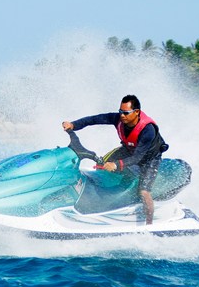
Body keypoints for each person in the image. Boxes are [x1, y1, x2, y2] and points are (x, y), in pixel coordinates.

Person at [62, 94, 168, 224]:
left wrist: (117, 165)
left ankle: (149, 225)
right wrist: (73, 125)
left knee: (144, 192)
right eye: (120, 112)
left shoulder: (148, 130)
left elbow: (138, 157)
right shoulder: (118, 119)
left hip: (149, 158)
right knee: (102, 164)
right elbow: (95, 119)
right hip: (129, 149)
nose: (122, 115)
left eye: (126, 112)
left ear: (136, 112)